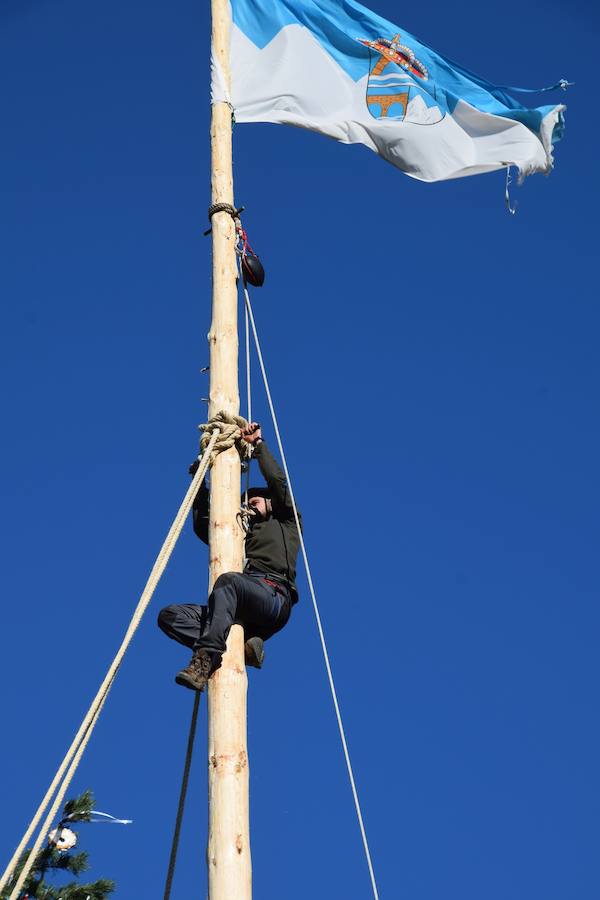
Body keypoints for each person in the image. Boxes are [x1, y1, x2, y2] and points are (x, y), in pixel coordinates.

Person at [157, 423, 300, 691]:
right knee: (170, 615)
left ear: (271, 503)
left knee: (229, 583)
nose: (249, 503)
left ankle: (204, 659)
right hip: (242, 599)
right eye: (245, 501)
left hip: (273, 595)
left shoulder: (287, 523)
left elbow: (278, 485)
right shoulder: (241, 533)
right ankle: (237, 644)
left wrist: (258, 446)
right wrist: (200, 486)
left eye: (256, 499)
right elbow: (206, 528)